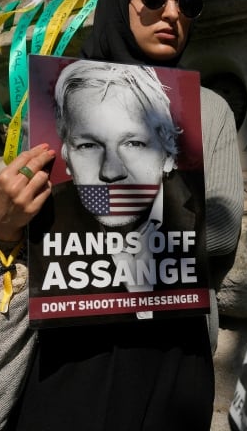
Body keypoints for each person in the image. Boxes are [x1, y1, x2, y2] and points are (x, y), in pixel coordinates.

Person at [0, 0, 243, 430]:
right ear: (120, 2)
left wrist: (126, 234)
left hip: (172, 349)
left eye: (187, 3)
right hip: (69, 354)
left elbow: (223, 237)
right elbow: (10, 249)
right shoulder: (59, 98)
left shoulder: (208, 110)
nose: (172, 12)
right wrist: (0, 223)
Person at [29, 59, 205, 315]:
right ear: (67, 156)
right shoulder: (45, 216)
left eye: (133, 143)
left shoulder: (203, 206)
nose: (110, 172)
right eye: (88, 146)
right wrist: (1, 228)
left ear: (167, 155)